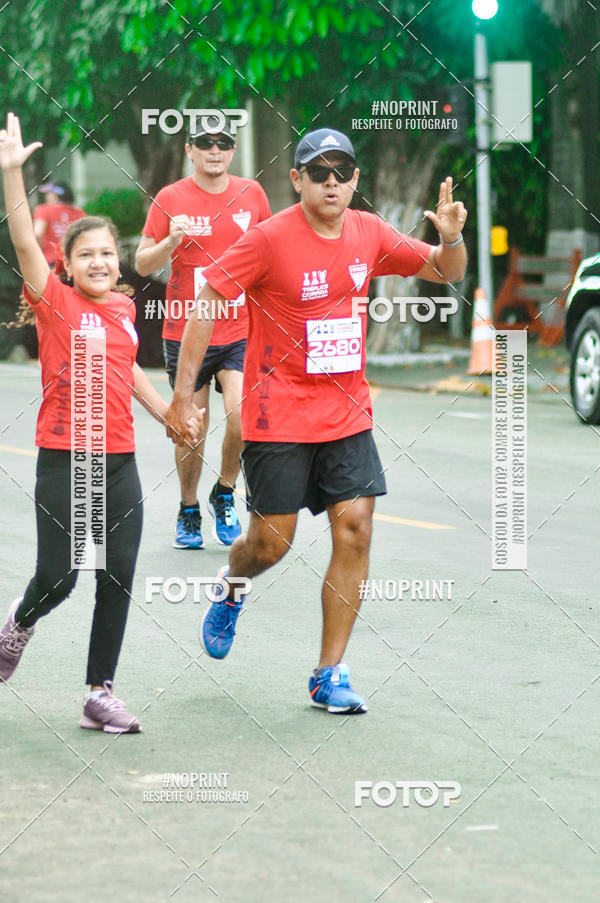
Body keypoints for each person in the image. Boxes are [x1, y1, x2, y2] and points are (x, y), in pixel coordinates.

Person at [166, 127, 468, 715]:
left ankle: (328, 674)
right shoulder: (268, 239)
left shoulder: (369, 231)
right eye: (319, 172)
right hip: (277, 413)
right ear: (297, 179)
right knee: (270, 544)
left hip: (346, 412)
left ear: (355, 180)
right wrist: (184, 396)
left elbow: (443, 270)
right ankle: (232, 585)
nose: (332, 182)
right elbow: (208, 298)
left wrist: (451, 238)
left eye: (342, 172)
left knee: (355, 529)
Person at [0, 113, 201, 732]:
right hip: (64, 459)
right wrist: (12, 175)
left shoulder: (121, 309)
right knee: (59, 576)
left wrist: (167, 413)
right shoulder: (54, 301)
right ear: (66, 264)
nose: (98, 262)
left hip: (119, 461)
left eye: (107, 254)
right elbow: (25, 243)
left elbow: (128, 370)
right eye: (85, 254)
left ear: (119, 263)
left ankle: (99, 693)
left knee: (117, 574)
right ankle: (18, 625)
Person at [136, 117, 271, 550]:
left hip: (240, 328)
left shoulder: (252, 194)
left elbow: (272, 254)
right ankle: (189, 508)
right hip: (186, 332)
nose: (214, 150)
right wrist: (169, 244)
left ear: (233, 151)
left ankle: (224, 492)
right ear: (189, 150)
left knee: (243, 417)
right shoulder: (170, 197)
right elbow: (141, 263)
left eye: (223, 143)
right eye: (205, 143)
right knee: (191, 427)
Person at [33, 180, 86, 266]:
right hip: (74, 261)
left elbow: (38, 233)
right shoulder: (79, 213)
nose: (47, 197)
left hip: (51, 260)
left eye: (49, 193)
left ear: (55, 195)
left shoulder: (43, 210)